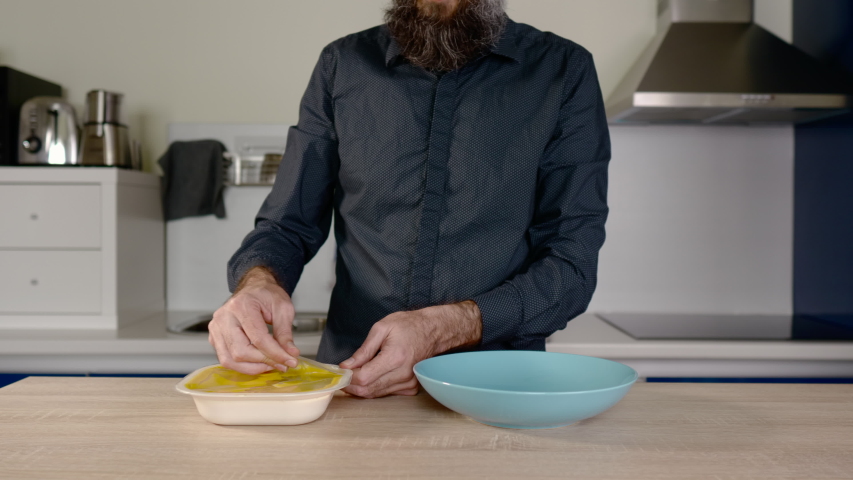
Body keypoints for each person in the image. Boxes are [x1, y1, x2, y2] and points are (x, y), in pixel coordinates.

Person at [208, 0, 611, 398]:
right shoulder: (341, 65)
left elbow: (571, 267)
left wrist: (446, 326)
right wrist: (257, 284)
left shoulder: (564, 70)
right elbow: (286, 225)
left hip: (497, 392)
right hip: (356, 387)